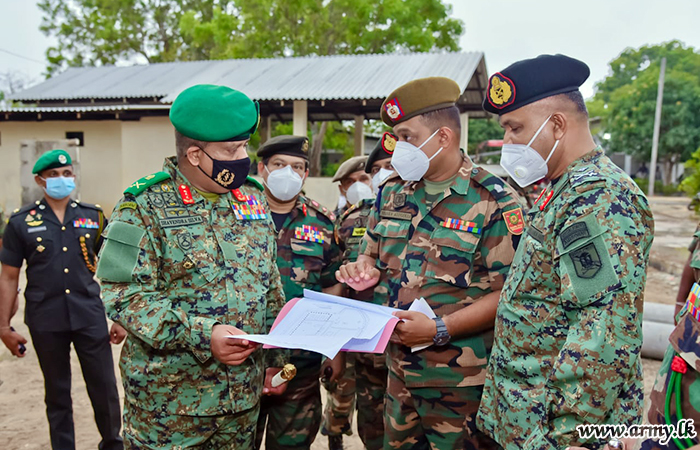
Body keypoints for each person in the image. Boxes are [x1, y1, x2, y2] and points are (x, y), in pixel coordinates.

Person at [475, 54, 654, 450]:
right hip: (528, 422)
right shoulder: (564, 189)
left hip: (556, 433)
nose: (507, 143)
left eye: (514, 128)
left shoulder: (597, 197)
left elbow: (605, 328)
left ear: (556, 124)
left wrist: (569, 435)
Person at [96, 84, 288, 449]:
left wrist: (278, 357)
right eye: (232, 150)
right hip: (169, 408)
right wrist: (204, 334)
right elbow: (123, 297)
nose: (243, 157)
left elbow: (269, 284)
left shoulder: (252, 197)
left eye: (244, 146)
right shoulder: (141, 206)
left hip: (242, 402)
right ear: (196, 155)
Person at [337, 77, 522, 449]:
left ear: (442, 138)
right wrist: (362, 271)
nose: (398, 148)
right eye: (396, 138)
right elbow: (369, 255)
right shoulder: (391, 193)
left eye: (406, 136)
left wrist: (440, 328)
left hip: (462, 386)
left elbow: (511, 295)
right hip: (397, 374)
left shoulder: (494, 200)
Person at [0, 149, 123, 450]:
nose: (61, 180)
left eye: (66, 174)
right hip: (46, 318)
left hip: (89, 315)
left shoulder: (92, 216)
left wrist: (120, 316)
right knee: (57, 392)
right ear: (40, 181)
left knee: (105, 387)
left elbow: (112, 267)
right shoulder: (20, 222)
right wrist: (4, 326)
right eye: (53, 175)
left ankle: (112, 443)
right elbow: (8, 277)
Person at [255, 135, 344, 450]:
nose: (288, 173)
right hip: (241, 359)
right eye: (279, 165)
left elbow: (332, 286)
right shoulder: (234, 214)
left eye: (297, 167)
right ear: (262, 168)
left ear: (306, 174)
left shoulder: (321, 222)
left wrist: (334, 350)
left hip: (300, 363)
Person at [331, 131, 397, 450]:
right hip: (369, 355)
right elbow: (343, 286)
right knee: (372, 432)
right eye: (377, 170)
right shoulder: (354, 219)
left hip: (422, 355)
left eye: (391, 165)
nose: (384, 175)